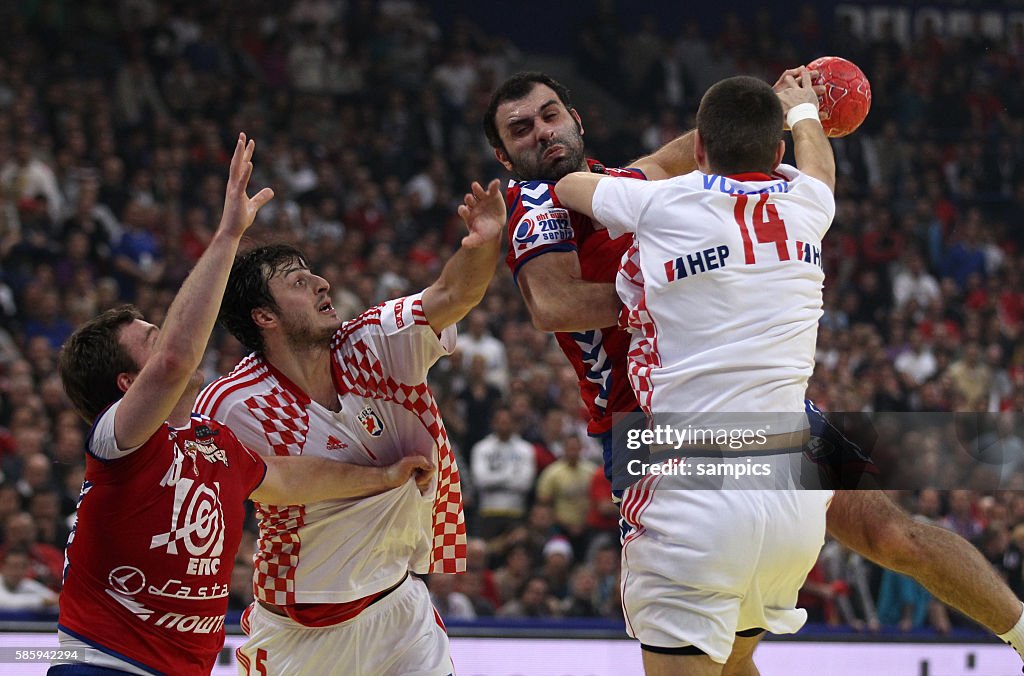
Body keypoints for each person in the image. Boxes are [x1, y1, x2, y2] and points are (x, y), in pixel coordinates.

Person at [484, 70, 1024, 670]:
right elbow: (554, 305)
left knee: (893, 534)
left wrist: (765, 103)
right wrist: (691, 281)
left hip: (729, 420)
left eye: (550, 114)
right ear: (503, 155)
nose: (543, 132)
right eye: (522, 129)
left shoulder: (630, 184)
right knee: (737, 655)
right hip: (652, 430)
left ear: (576, 119)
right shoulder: (532, 200)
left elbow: (678, 154)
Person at [51, 135, 433, 676]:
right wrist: (229, 236)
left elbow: (289, 480)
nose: (169, 344)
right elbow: (177, 360)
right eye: (151, 338)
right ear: (126, 382)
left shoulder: (211, 440)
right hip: (103, 665)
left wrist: (386, 475)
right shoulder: (118, 444)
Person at [555, 71, 835, 675]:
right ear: (779, 151)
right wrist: (805, 111)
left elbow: (572, 185)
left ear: (700, 151)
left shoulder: (663, 202)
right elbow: (821, 171)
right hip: (795, 493)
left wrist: (639, 174)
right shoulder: (811, 204)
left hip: (697, 483)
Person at [194, 179, 507, 675]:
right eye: (297, 281)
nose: (321, 283)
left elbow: (452, 293)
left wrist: (483, 241)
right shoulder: (232, 405)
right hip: (301, 632)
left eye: (314, 275)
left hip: (399, 609)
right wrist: (381, 479)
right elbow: (260, 487)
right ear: (264, 317)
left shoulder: (373, 342)